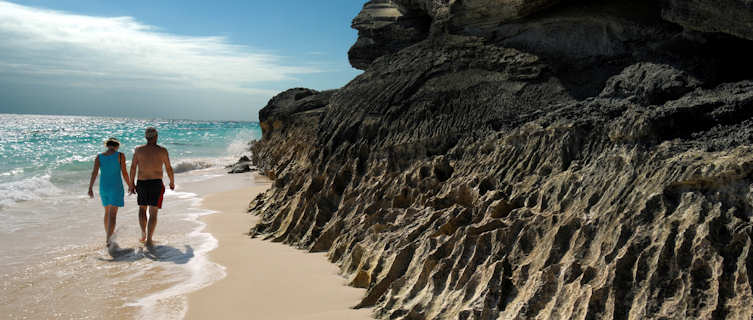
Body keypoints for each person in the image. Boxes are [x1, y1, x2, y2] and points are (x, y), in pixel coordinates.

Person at [129, 127, 174, 247]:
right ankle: (149, 239)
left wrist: (131, 183)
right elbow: (168, 168)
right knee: (153, 212)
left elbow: (133, 167)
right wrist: (172, 181)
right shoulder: (162, 151)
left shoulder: (138, 150)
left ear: (146, 137)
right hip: (156, 183)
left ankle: (143, 234)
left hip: (142, 182)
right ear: (156, 136)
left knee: (142, 209)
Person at [88, 137, 132, 248]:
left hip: (104, 188)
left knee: (107, 213)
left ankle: (108, 237)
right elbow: (124, 173)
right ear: (117, 146)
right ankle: (108, 239)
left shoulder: (99, 156)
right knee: (113, 215)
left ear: (107, 145)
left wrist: (90, 187)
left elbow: (94, 172)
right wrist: (130, 185)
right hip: (116, 187)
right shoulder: (120, 155)